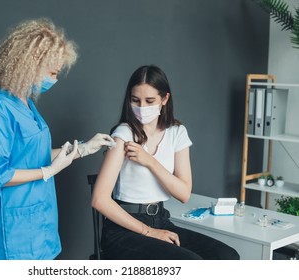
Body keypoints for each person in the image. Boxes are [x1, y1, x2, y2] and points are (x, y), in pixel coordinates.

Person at [0, 18, 114, 260]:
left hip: (39, 222)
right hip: (13, 227)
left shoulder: (25, 103)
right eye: (51, 72)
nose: (54, 79)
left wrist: (81, 149)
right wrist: (48, 171)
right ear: (29, 65)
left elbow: (30, 156)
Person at [91, 65, 240, 260]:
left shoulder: (177, 133)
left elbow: (183, 193)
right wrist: (149, 232)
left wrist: (150, 162)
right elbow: (99, 200)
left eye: (149, 100)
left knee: (227, 257)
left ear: (164, 99)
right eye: (135, 100)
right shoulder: (124, 134)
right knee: (191, 264)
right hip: (123, 229)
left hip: (161, 219)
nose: (142, 108)